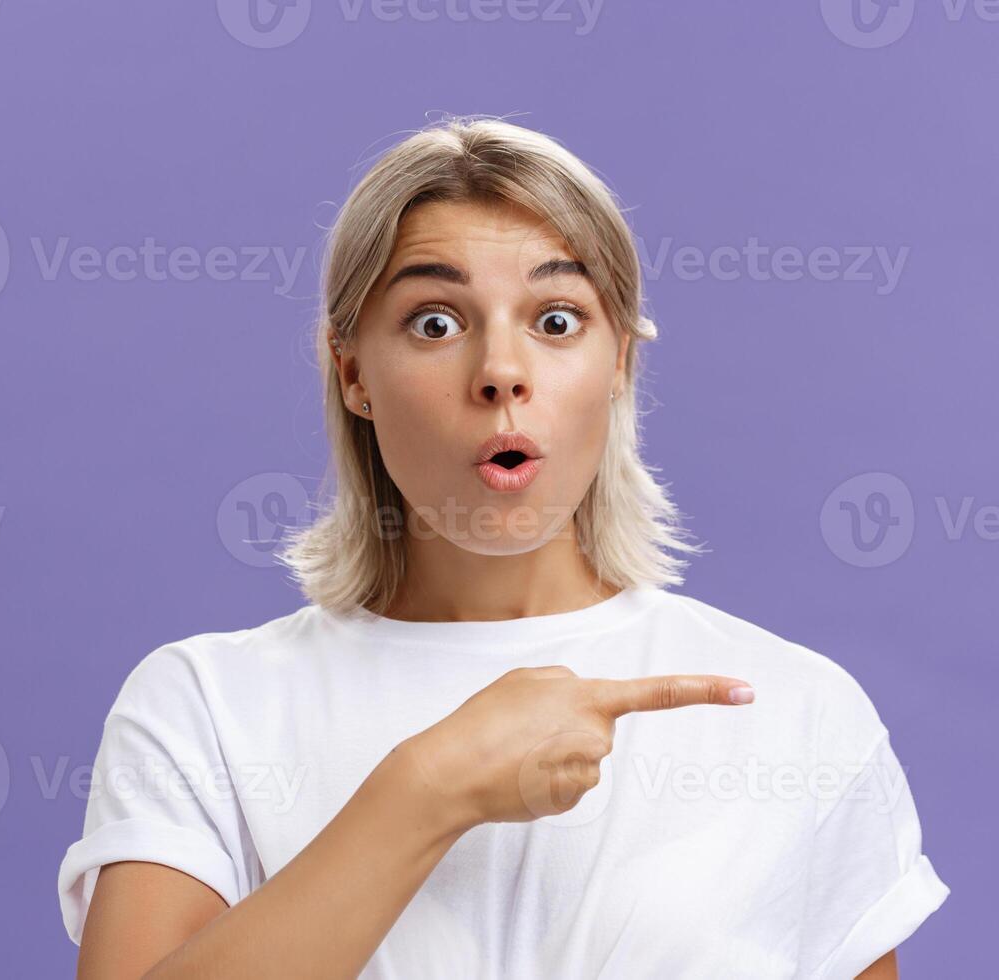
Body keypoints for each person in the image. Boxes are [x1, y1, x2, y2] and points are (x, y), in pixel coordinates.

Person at [58, 117, 947, 979]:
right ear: (354, 372)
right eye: (436, 323)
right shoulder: (207, 710)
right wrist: (429, 787)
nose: (501, 372)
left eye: (556, 320)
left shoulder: (797, 714)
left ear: (621, 365)